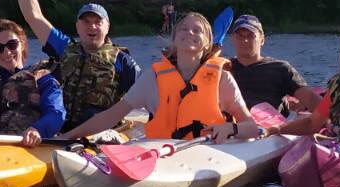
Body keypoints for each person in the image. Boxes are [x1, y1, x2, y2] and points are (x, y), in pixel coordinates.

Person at [64, 12, 261, 143]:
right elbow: (110, 116)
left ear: (207, 43)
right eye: (183, 28)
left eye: (197, 30)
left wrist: (231, 128)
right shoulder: (153, 78)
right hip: (164, 153)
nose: (189, 33)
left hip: (210, 153)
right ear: (174, 38)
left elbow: (251, 128)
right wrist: (68, 137)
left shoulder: (222, 79)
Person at [8, 0, 139, 133]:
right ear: (77, 26)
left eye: (97, 22)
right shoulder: (65, 47)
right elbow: (33, 15)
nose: (91, 27)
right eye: (85, 22)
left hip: (97, 135)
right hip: (61, 130)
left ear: (107, 27)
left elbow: (147, 93)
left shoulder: (122, 61)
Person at [227, 14, 319, 113]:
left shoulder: (280, 69)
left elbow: (311, 100)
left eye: (250, 36)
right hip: (231, 126)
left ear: (262, 39)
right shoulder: (223, 69)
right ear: (233, 39)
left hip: (271, 126)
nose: (245, 40)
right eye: (240, 36)